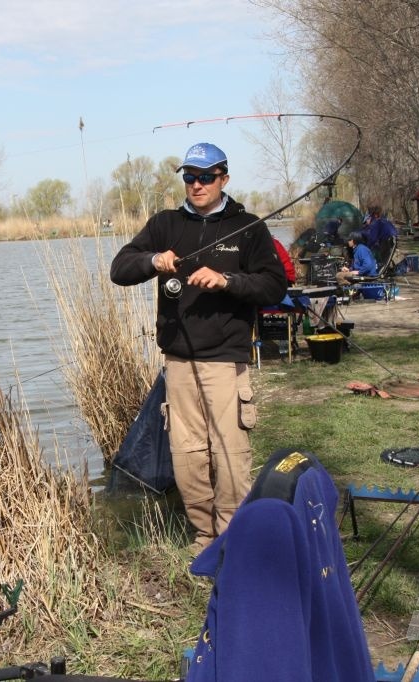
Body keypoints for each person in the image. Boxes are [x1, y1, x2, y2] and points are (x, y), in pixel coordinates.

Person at [110, 142, 287, 552]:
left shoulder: (249, 227)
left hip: (225, 361)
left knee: (230, 454)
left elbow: (274, 285)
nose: (197, 184)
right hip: (178, 361)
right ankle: (204, 537)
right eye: (190, 176)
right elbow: (120, 269)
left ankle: (234, 540)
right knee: (187, 455)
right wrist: (153, 261)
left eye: (206, 177)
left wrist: (228, 282)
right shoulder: (165, 224)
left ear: (224, 178)